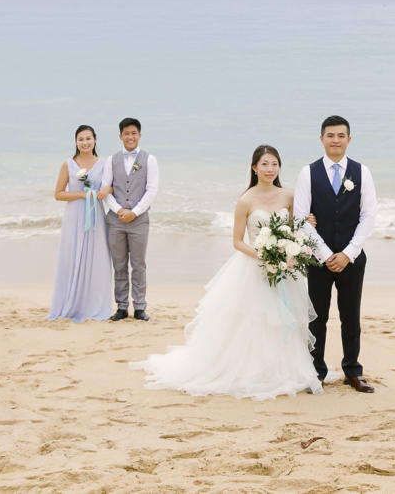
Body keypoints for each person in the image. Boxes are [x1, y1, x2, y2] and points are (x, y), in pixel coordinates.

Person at [134, 146, 322, 399]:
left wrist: (298, 238)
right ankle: (253, 371)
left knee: (283, 318)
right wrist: (265, 256)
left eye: (274, 164)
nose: (270, 169)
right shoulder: (245, 200)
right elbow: (237, 241)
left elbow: (296, 230)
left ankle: (285, 369)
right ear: (254, 167)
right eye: (264, 164)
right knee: (254, 319)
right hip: (253, 267)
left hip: (284, 270)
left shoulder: (288, 196)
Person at [294, 115, 377, 393]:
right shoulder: (308, 172)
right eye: (330, 135)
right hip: (318, 260)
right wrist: (327, 253)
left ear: (349, 139)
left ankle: (352, 371)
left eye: (341, 135)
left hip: (352, 259)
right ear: (321, 139)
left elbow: (368, 216)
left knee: (351, 316)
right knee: (317, 318)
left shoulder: (362, 171)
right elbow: (301, 218)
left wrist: (348, 253)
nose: (336, 140)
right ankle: (316, 371)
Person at [48, 125, 113, 322]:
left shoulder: (104, 163)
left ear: (95, 140)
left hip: (96, 218)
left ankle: (94, 305)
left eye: (88, 138)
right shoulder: (68, 164)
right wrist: (83, 195)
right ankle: (71, 303)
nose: (85, 143)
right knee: (72, 258)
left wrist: (105, 191)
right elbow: (58, 194)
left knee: (96, 260)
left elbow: (110, 186)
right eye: (80, 139)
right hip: (74, 217)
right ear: (76, 142)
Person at [97, 117, 158, 321]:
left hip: (139, 220)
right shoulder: (111, 160)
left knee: (139, 264)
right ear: (120, 136)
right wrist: (119, 210)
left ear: (139, 135)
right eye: (126, 133)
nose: (130, 137)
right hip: (115, 220)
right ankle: (121, 307)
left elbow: (151, 190)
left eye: (134, 133)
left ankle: (140, 307)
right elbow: (107, 189)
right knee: (119, 264)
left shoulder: (149, 159)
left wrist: (135, 212)